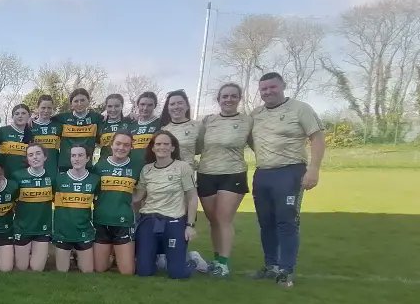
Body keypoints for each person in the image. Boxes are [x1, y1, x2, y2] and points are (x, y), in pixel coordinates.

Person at [249, 71, 324, 287]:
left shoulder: (300, 109)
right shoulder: (256, 114)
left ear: (282, 86)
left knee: (286, 221)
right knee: (266, 222)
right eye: (264, 89)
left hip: (290, 172)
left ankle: (286, 269)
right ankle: (271, 265)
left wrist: (314, 169)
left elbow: (317, 137)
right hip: (263, 173)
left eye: (272, 87)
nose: (268, 92)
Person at [196, 83, 253, 277]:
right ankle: (217, 260)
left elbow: (257, 145)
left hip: (232, 174)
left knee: (223, 218)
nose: (228, 99)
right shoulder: (208, 121)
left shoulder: (247, 121)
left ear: (239, 98)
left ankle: (224, 263)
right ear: (218, 99)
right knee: (213, 220)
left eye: (233, 96)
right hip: (206, 173)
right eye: (225, 96)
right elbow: (196, 146)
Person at [132, 130, 206, 279]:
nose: (162, 147)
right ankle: (161, 257)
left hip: (174, 220)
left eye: (166, 144)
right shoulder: (147, 169)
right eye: (158, 144)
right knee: (144, 271)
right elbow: (137, 197)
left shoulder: (182, 167)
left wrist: (190, 226)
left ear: (172, 148)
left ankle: (192, 259)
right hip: (149, 219)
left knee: (177, 273)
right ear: (152, 148)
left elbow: (192, 198)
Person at [92, 130, 137, 275]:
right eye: (118, 144)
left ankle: (122, 253)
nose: (121, 148)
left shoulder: (137, 167)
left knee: (127, 272)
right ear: (111, 145)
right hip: (101, 220)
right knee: (99, 269)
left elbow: (142, 191)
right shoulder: (99, 167)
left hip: (123, 222)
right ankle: (111, 254)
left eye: (126, 145)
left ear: (131, 147)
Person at [52, 144, 99, 273]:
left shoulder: (95, 180)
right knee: (62, 272)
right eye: (73, 155)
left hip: (84, 232)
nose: (76, 159)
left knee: (87, 272)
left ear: (88, 158)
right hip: (63, 232)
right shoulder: (58, 179)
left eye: (80, 155)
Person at [12, 143, 53, 271]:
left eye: (38, 153)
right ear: (27, 159)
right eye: (31, 155)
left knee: (37, 269)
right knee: (22, 268)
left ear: (45, 157)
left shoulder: (53, 177)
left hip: (42, 229)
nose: (34, 157)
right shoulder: (17, 176)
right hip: (22, 228)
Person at [57, 88, 104, 170]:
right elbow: (44, 119)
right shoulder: (62, 118)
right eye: (76, 101)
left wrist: (132, 115)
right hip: (65, 166)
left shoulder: (96, 118)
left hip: (86, 166)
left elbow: (115, 119)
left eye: (82, 100)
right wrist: (31, 118)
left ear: (88, 101)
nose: (79, 103)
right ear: (71, 103)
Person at [128, 91, 161, 175]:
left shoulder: (160, 124)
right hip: (132, 169)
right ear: (137, 105)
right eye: (142, 104)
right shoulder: (131, 124)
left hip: (153, 170)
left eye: (150, 105)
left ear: (155, 106)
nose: (145, 108)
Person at [161, 89, 198, 164]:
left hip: (187, 173)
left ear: (187, 106)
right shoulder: (163, 130)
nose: (176, 107)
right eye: (172, 104)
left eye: (180, 103)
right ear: (168, 108)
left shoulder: (198, 126)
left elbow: (201, 149)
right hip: (166, 173)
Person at [0, 103, 32, 177]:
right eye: (17, 114)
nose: (20, 116)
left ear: (29, 116)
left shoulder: (31, 134)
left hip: (25, 178)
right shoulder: (2, 131)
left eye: (23, 113)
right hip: (5, 177)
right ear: (12, 116)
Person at [29, 94, 61, 174]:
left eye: (49, 108)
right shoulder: (30, 126)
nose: (46, 111)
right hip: (34, 170)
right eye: (43, 108)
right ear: (38, 108)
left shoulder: (58, 125)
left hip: (53, 170)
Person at [96, 93, 129, 164]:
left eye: (117, 106)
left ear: (122, 106)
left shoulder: (130, 123)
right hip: (104, 165)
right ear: (106, 107)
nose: (113, 109)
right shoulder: (100, 124)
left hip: (125, 165)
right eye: (110, 106)